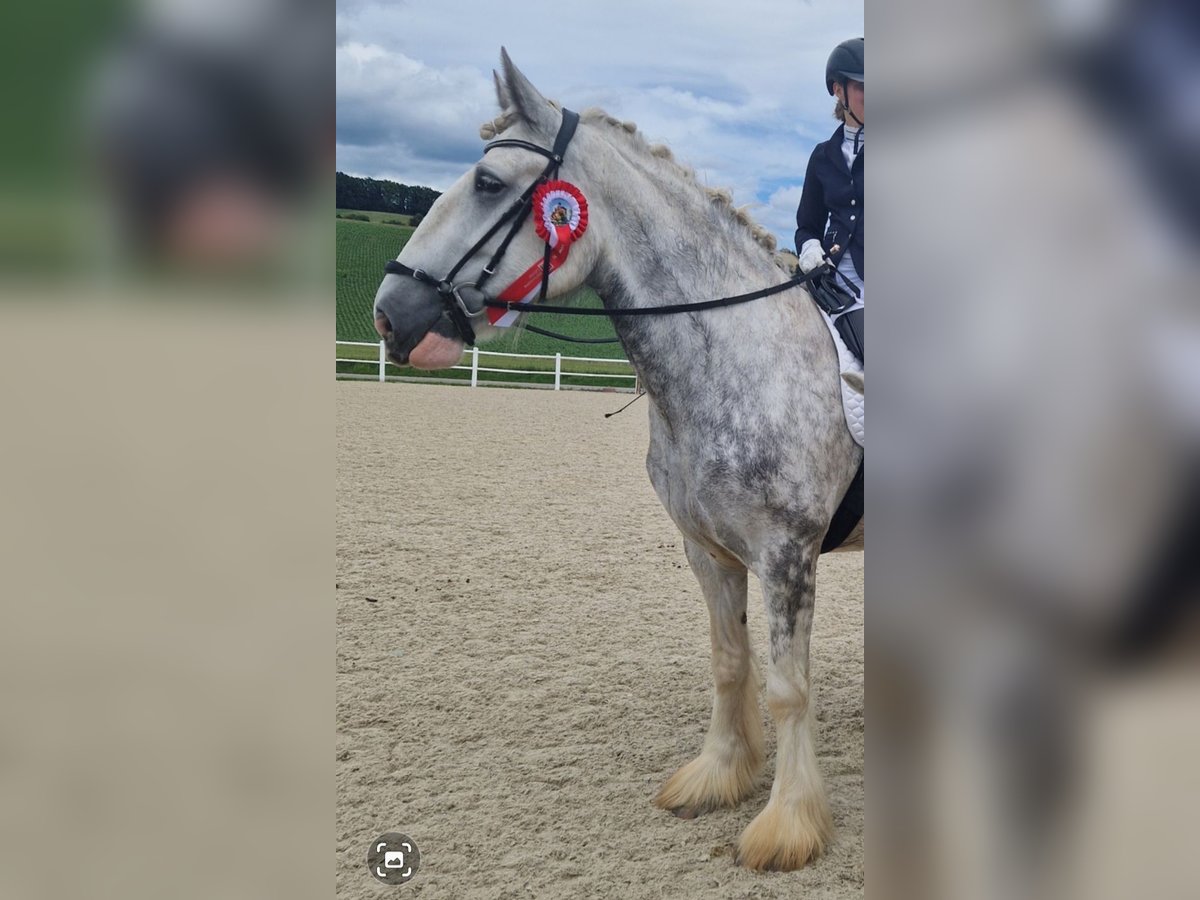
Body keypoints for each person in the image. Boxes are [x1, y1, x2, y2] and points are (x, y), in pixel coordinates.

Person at [795, 37, 864, 363]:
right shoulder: (822, 157)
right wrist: (809, 247)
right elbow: (806, 225)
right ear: (839, 90)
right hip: (836, 285)